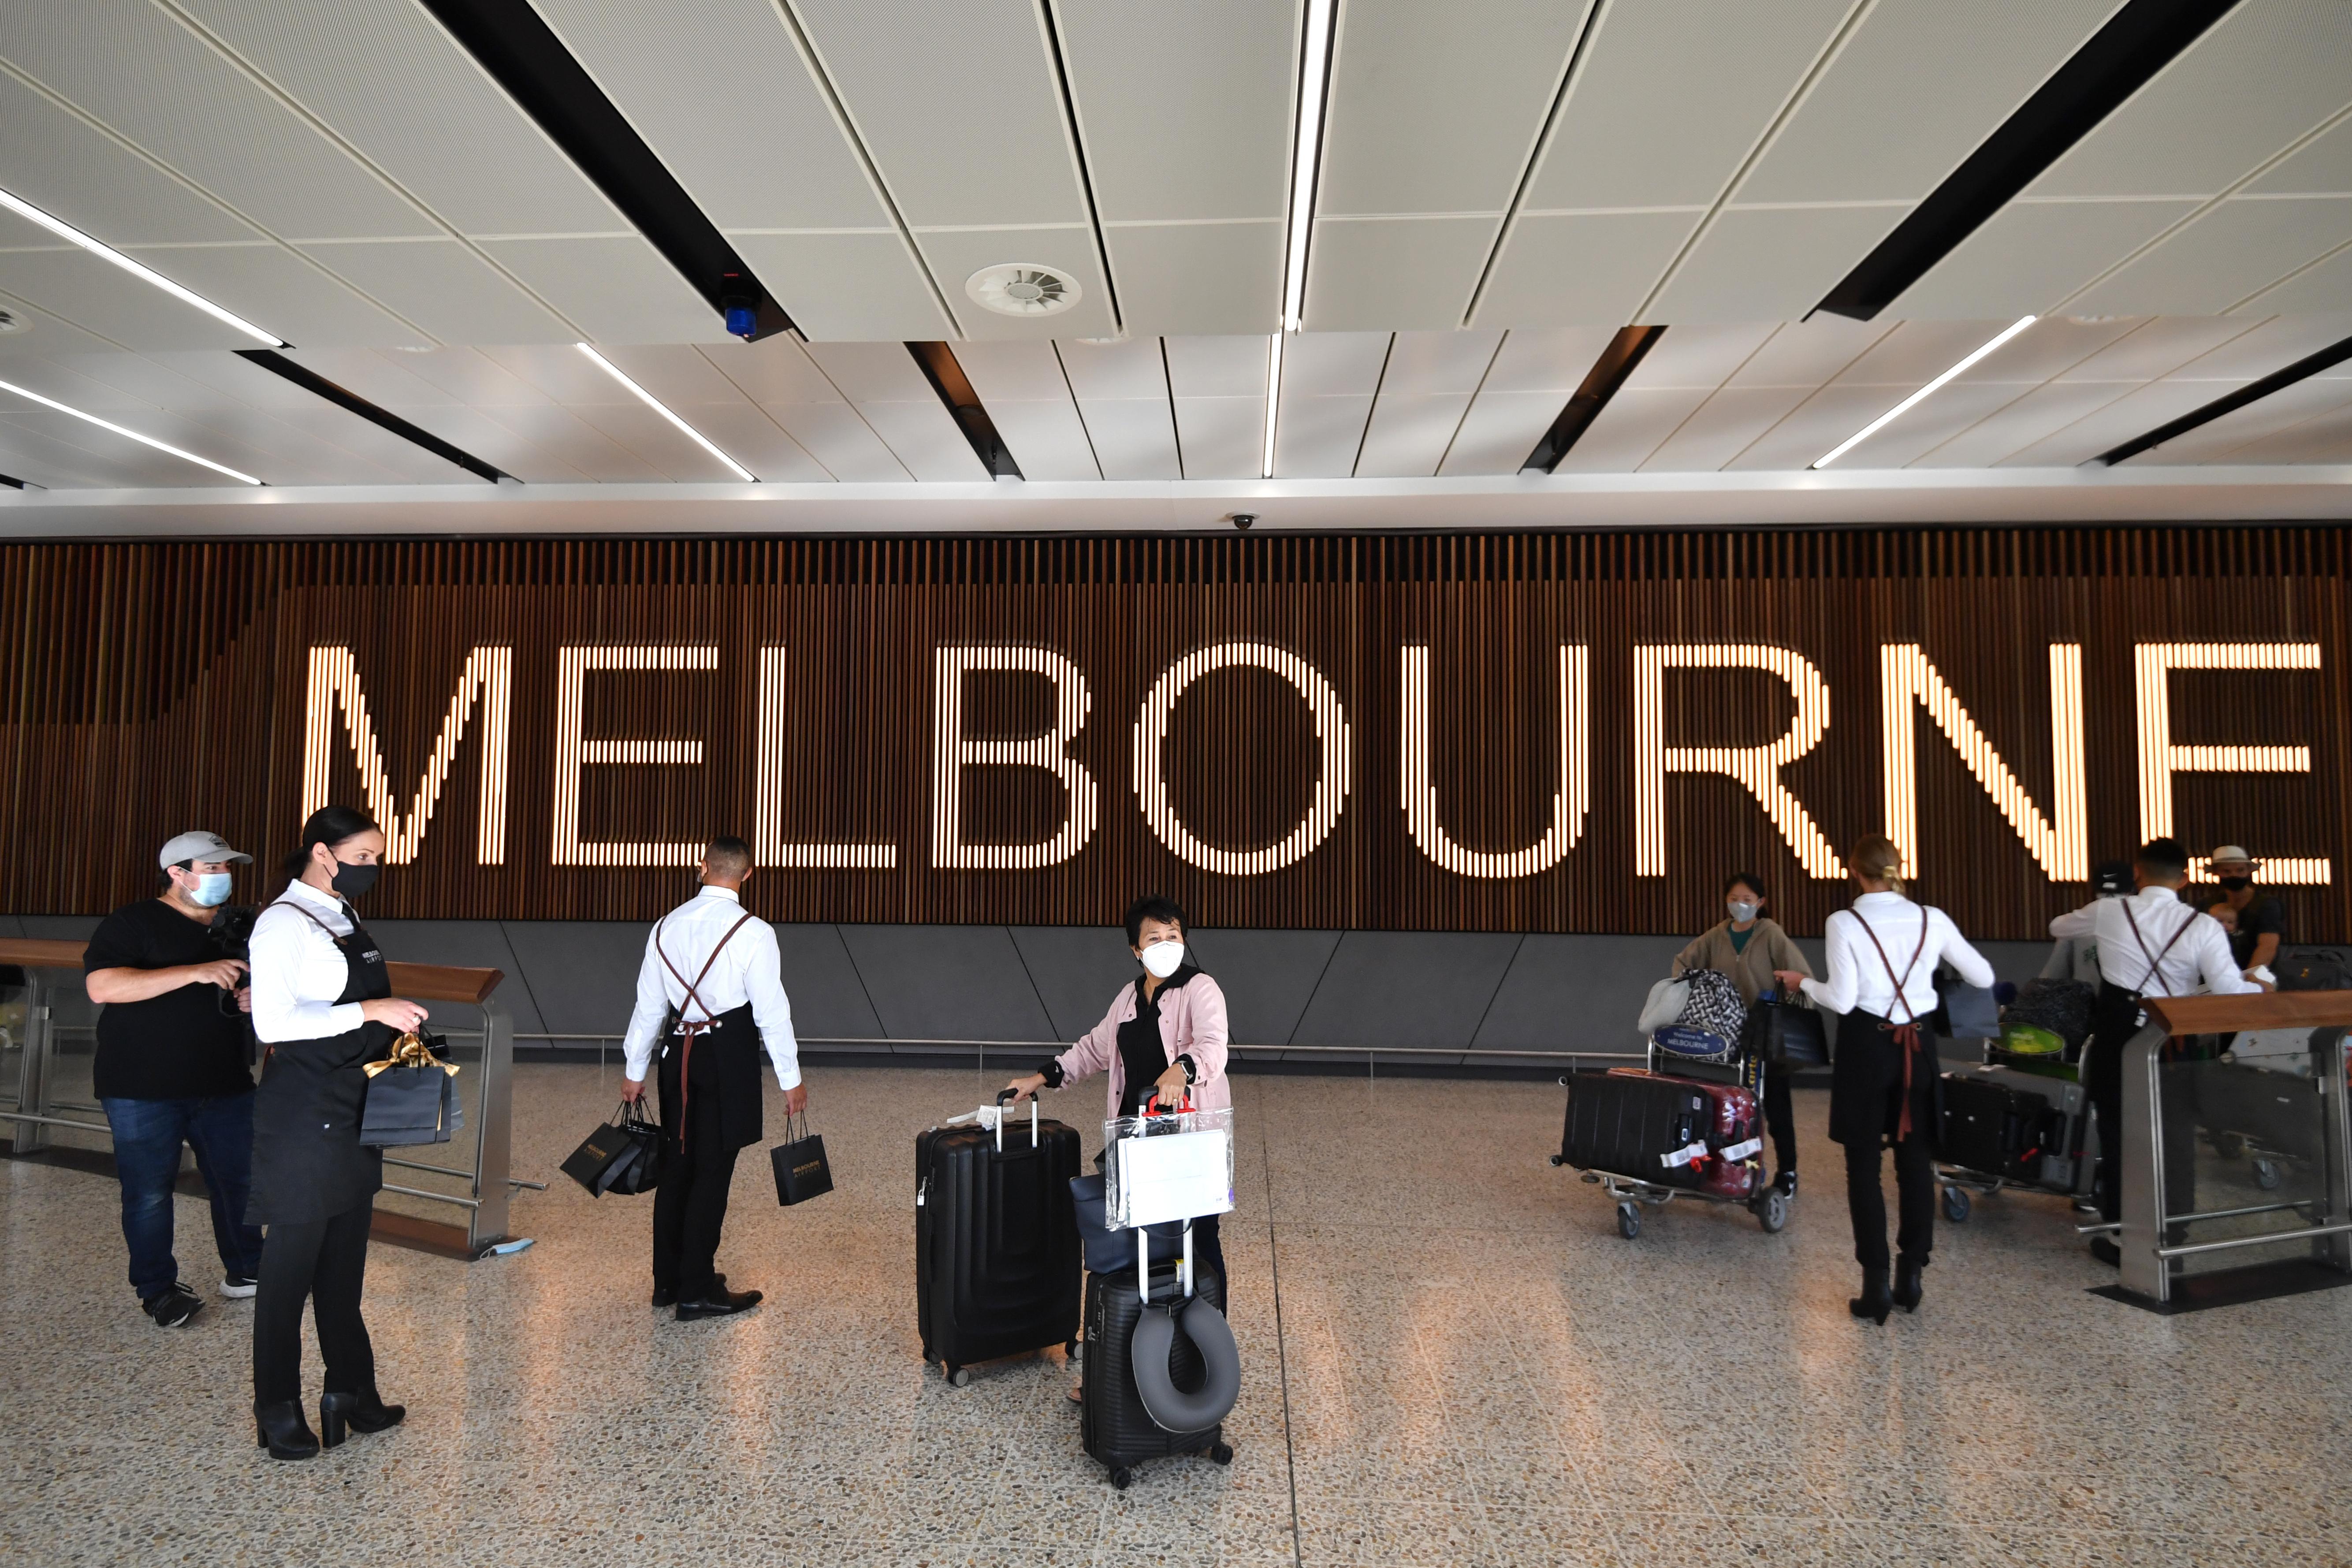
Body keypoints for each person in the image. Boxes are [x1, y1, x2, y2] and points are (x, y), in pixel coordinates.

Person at [246, 806, 429, 1460]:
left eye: (378, 857)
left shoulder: (342, 915)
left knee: (344, 1266)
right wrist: (371, 1008)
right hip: (303, 1115)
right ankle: (276, 1406)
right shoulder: (281, 923)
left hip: (355, 1104)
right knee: (289, 1271)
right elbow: (273, 1021)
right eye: (364, 857)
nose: (374, 868)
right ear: (323, 853)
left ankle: (351, 1390)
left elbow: (335, 1007)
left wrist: (392, 1023)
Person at [1775, 834, 1993, 1325]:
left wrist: (1802, 983)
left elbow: (1844, 999)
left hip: (1865, 1049)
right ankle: (1910, 1275)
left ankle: (1874, 1286)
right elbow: (1980, 976)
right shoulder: (1930, 918)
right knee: (1914, 1162)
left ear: (1853, 871)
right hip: (1918, 1048)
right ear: (1896, 868)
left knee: (1862, 1166)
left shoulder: (1843, 922)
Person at [82, 831, 266, 1329]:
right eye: (210, 869)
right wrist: (194, 971)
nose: (222, 877)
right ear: (177, 874)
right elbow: (102, 985)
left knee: (239, 1182)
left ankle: (249, 1269)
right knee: (148, 1191)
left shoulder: (240, 927)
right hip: (141, 1087)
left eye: (226, 867)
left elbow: (248, 987)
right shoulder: (134, 922)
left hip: (225, 1083)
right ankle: (158, 1290)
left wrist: (255, 999)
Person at [2052, 837, 2263, 1267]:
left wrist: (2105, 913)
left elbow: (2058, 927)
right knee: (2175, 1133)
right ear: (2184, 879)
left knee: (2117, 1129)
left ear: (2136, 872)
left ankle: (2120, 1234)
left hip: (2118, 1034)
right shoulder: (2201, 925)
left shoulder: (2111, 910)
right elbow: (2226, 989)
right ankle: (2174, 1234)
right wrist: (2260, 985)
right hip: (2173, 1038)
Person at [619, 836, 804, 1322]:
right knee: (712, 1171)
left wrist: (633, 1069)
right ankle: (698, 1288)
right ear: (748, 875)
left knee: (677, 1166)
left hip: (676, 1053)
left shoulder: (665, 926)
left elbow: (648, 1006)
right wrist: (792, 1078)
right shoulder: (755, 931)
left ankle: (669, 1281)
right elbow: (771, 1012)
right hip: (727, 1058)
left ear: (701, 867)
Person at [1004, 895, 1232, 1286]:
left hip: (1190, 1141)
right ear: (1136, 950)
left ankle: (1210, 1325)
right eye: (1154, 937)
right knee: (1146, 1236)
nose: (1165, 945)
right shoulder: (1129, 996)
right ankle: (1153, 1317)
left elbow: (1213, 1044)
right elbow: (1094, 1048)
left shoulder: (1200, 988)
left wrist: (1184, 1067)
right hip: (1137, 1136)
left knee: (1198, 1237)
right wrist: (1041, 1077)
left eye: (1173, 935)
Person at [1671, 872, 1810, 1197]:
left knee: (1776, 1105)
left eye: (1747, 900)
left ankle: (1788, 1170)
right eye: (1734, 899)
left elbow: (1801, 974)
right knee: (1729, 1104)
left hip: (1766, 1032)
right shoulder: (1717, 934)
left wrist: (1786, 997)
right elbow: (1682, 963)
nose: (1740, 905)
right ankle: (1730, 1168)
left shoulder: (1770, 933)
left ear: (1761, 902)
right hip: (1728, 1033)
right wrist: (1693, 990)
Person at [2193, 845, 2285, 975]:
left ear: (2249, 871)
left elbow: (2268, 946)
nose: (2234, 875)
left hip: (2257, 979)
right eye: (2227, 871)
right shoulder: (2206, 904)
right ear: (2216, 873)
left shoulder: (2267, 905)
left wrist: (2247, 979)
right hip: (2215, 978)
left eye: (2240, 870)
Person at [2041, 860, 2132, 986]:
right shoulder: (2146, 922)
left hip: (2089, 1002)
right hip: (2138, 1002)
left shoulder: (2075, 926)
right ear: (2130, 891)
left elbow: (2053, 977)